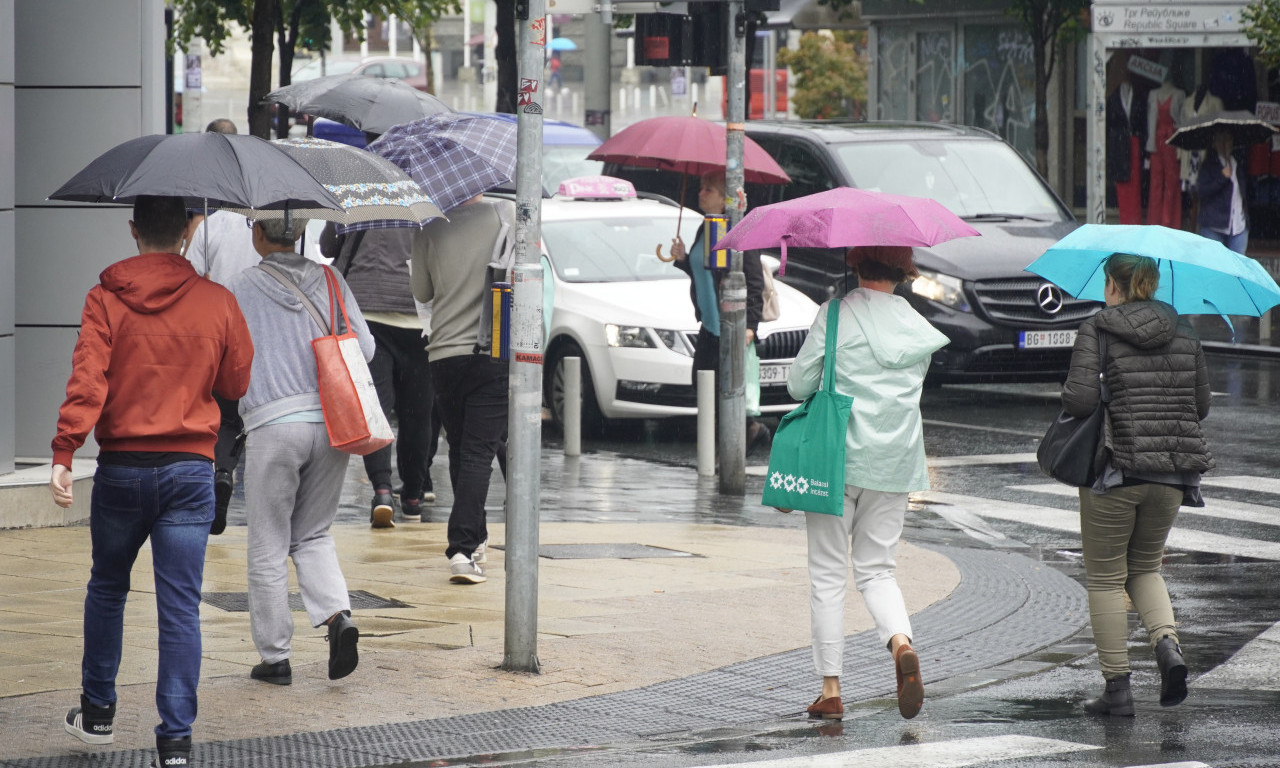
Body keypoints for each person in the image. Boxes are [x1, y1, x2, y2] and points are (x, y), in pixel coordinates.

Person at [50, 195, 253, 768]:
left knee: (108, 588)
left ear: (133, 229)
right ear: (190, 231)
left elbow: (87, 378)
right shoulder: (218, 300)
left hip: (120, 469)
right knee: (180, 607)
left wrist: (66, 450)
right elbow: (236, 382)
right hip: (190, 471)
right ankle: (175, 742)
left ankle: (97, 714)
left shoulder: (104, 299)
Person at [788, 245, 948, 722]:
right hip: (896, 462)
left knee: (828, 574)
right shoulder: (918, 329)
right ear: (902, 274)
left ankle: (831, 689)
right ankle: (901, 643)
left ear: (855, 266)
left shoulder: (834, 315)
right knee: (878, 569)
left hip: (837, 459)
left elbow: (798, 385)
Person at [1060, 252, 1212, 717]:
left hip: (1116, 469)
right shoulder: (1185, 332)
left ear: (1113, 285)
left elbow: (1082, 400)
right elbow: (1200, 406)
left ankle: (1118, 691)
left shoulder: (1099, 328)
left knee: (1105, 578)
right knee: (1145, 569)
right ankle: (1168, 647)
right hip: (1171, 474)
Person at [225, 217, 372, 686]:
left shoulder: (238, 288)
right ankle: (336, 617)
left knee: (268, 542)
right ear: (302, 229)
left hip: (272, 424)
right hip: (332, 423)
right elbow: (364, 348)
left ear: (257, 233)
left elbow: (223, 362)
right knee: (313, 534)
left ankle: (275, 657)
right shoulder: (330, 278)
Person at [410, 194, 516, 584]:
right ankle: (462, 548)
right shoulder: (506, 214)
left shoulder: (428, 224)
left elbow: (422, 292)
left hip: (443, 355)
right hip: (492, 349)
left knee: (460, 448)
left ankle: (478, 538)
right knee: (477, 454)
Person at [321, 222, 440, 529]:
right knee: (418, 414)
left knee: (377, 409)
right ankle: (413, 495)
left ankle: (383, 491)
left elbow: (327, 248)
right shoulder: (426, 196)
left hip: (367, 311)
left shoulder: (359, 191)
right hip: (419, 316)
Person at [184, 118, 261, 534]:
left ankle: (222, 470)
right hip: (262, 334)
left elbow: (192, 280)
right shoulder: (262, 221)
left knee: (226, 417)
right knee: (257, 419)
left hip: (219, 336)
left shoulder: (209, 226)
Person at [669, 171, 771, 454]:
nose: (700, 193)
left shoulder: (738, 229)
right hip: (709, 324)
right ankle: (734, 437)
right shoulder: (707, 227)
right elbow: (705, 272)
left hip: (730, 325)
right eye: (701, 187)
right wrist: (684, 260)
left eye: (708, 190)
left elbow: (753, 281)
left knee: (725, 386)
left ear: (724, 199)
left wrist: (750, 325)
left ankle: (739, 438)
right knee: (702, 382)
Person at [1197, 127, 1249, 255]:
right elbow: (1202, 191)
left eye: (1229, 140)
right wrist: (1221, 178)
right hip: (1213, 227)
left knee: (1237, 269)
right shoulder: (1209, 165)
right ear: (1215, 144)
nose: (1226, 144)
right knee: (1214, 268)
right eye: (1222, 140)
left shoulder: (1237, 164)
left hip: (1238, 226)